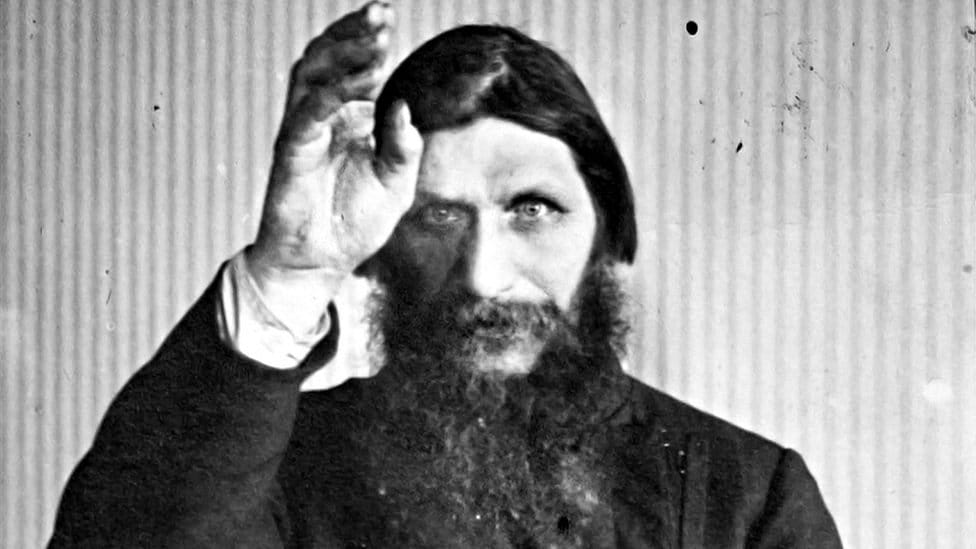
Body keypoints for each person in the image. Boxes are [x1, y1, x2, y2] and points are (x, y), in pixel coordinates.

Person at [49, 2, 841, 547]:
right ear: (380, 243)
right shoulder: (279, 470)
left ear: (607, 229)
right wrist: (291, 268)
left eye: (532, 209)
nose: (484, 276)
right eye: (436, 217)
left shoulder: (747, 498)